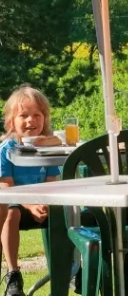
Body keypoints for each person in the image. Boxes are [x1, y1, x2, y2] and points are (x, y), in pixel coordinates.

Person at [0, 86, 61, 296]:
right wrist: (30, 205)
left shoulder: (48, 149)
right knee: (11, 211)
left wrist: (45, 203)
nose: (30, 120)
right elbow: (7, 187)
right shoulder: (6, 150)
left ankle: (71, 268)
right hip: (18, 205)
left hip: (43, 203)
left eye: (37, 115)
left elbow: (52, 182)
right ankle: (13, 274)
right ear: (11, 121)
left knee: (69, 209)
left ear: (45, 118)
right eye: (24, 115)